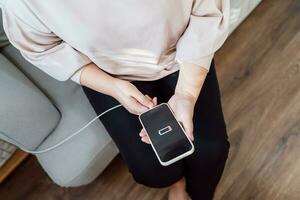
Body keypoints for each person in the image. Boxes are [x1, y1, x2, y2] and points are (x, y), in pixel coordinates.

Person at [0, 0, 230, 199]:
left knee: (212, 151)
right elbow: (41, 48)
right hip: (108, 74)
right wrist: (113, 87)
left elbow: (207, 11)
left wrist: (186, 93)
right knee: (151, 170)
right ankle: (176, 182)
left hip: (185, 54)